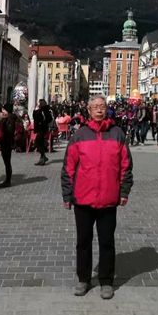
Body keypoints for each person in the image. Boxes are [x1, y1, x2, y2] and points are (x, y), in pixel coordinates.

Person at [61, 96, 133, 300]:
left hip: (108, 198)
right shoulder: (79, 135)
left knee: (107, 242)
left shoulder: (117, 133)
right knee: (83, 242)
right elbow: (68, 168)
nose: (99, 110)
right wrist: (67, 194)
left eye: (102, 106)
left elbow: (126, 165)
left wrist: (124, 191)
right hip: (83, 199)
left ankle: (106, 281)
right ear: (89, 111)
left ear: (106, 109)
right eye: (95, 107)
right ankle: (83, 279)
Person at [0, 103, 18, 188]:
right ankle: (7, 179)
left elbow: (9, 132)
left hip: (7, 142)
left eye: (3, 109)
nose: (2, 111)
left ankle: (8, 180)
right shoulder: (9, 118)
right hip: (6, 142)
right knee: (7, 162)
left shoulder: (10, 119)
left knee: (7, 162)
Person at [33, 99, 53, 165]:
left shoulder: (44, 110)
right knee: (40, 144)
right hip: (40, 129)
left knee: (36, 143)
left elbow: (48, 119)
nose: (38, 104)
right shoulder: (41, 110)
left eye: (39, 103)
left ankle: (43, 156)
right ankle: (42, 159)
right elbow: (35, 117)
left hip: (41, 129)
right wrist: (35, 110)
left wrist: (42, 122)